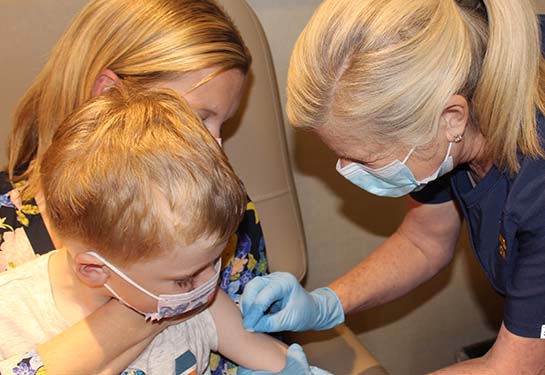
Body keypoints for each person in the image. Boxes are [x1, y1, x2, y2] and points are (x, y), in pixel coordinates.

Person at [241, 0, 545, 374]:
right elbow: (425, 240)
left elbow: (514, 368)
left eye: (364, 159)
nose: (346, 171)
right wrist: (325, 305)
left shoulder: (536, 190)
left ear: (452, 118)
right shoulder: (448, 112)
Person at [0, 0, 290, 373]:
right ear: (108, 95)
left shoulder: (212, 202)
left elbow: (248, 347)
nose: (216, 147)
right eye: (197, 118)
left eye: (223, 124)